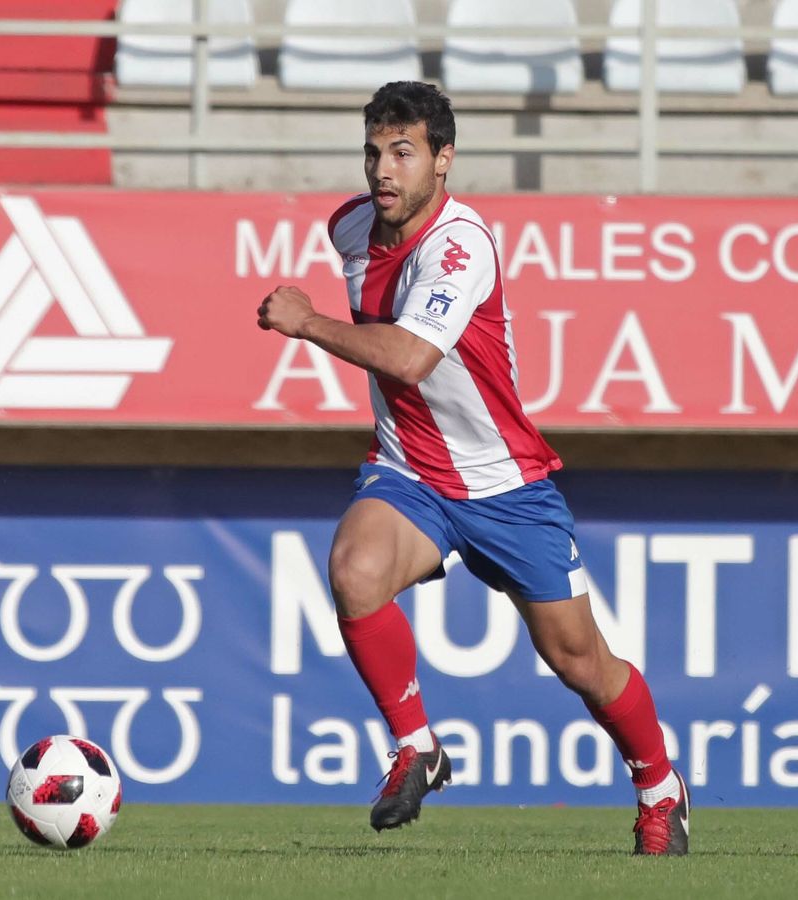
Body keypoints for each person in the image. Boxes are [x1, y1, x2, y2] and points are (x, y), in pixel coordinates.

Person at [255, 81, 688, 856]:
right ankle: (415, 747)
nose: (383, 171)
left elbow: (414, 357)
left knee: (579, 661)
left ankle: (660, 787)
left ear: (443, 159)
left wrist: (310, 322)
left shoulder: (463, 245)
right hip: (410, 473)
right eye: (373, 152)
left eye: (402, 152)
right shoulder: (352, 227)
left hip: (506, 486)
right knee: (354, 571)